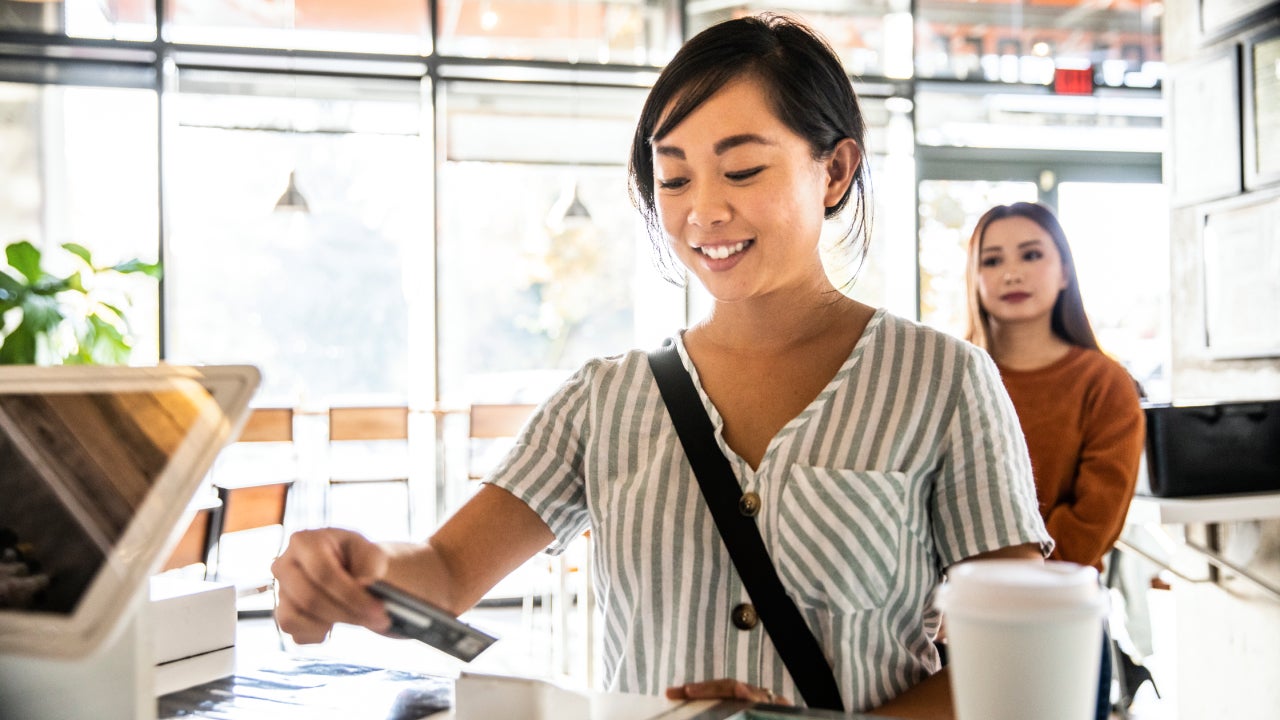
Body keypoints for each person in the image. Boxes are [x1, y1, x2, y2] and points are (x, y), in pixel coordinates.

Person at [272, 15, 1051, 717]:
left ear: (836, 171)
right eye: (673, 177)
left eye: (743, 171)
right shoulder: (604, 399)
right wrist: (360, 570)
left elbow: (1019, 660)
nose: (702, 212)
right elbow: (445, 570)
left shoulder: (942, 381)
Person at [963, 201, 1146, 720]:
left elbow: (1092, 525)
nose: (1012, 271)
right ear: (973, 277)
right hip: (947, 627)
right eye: (992, 260)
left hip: (1059, 626)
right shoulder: (949, 375)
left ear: (1065, 270)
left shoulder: (1106, 383)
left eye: (1031, 254)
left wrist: (993, 584)